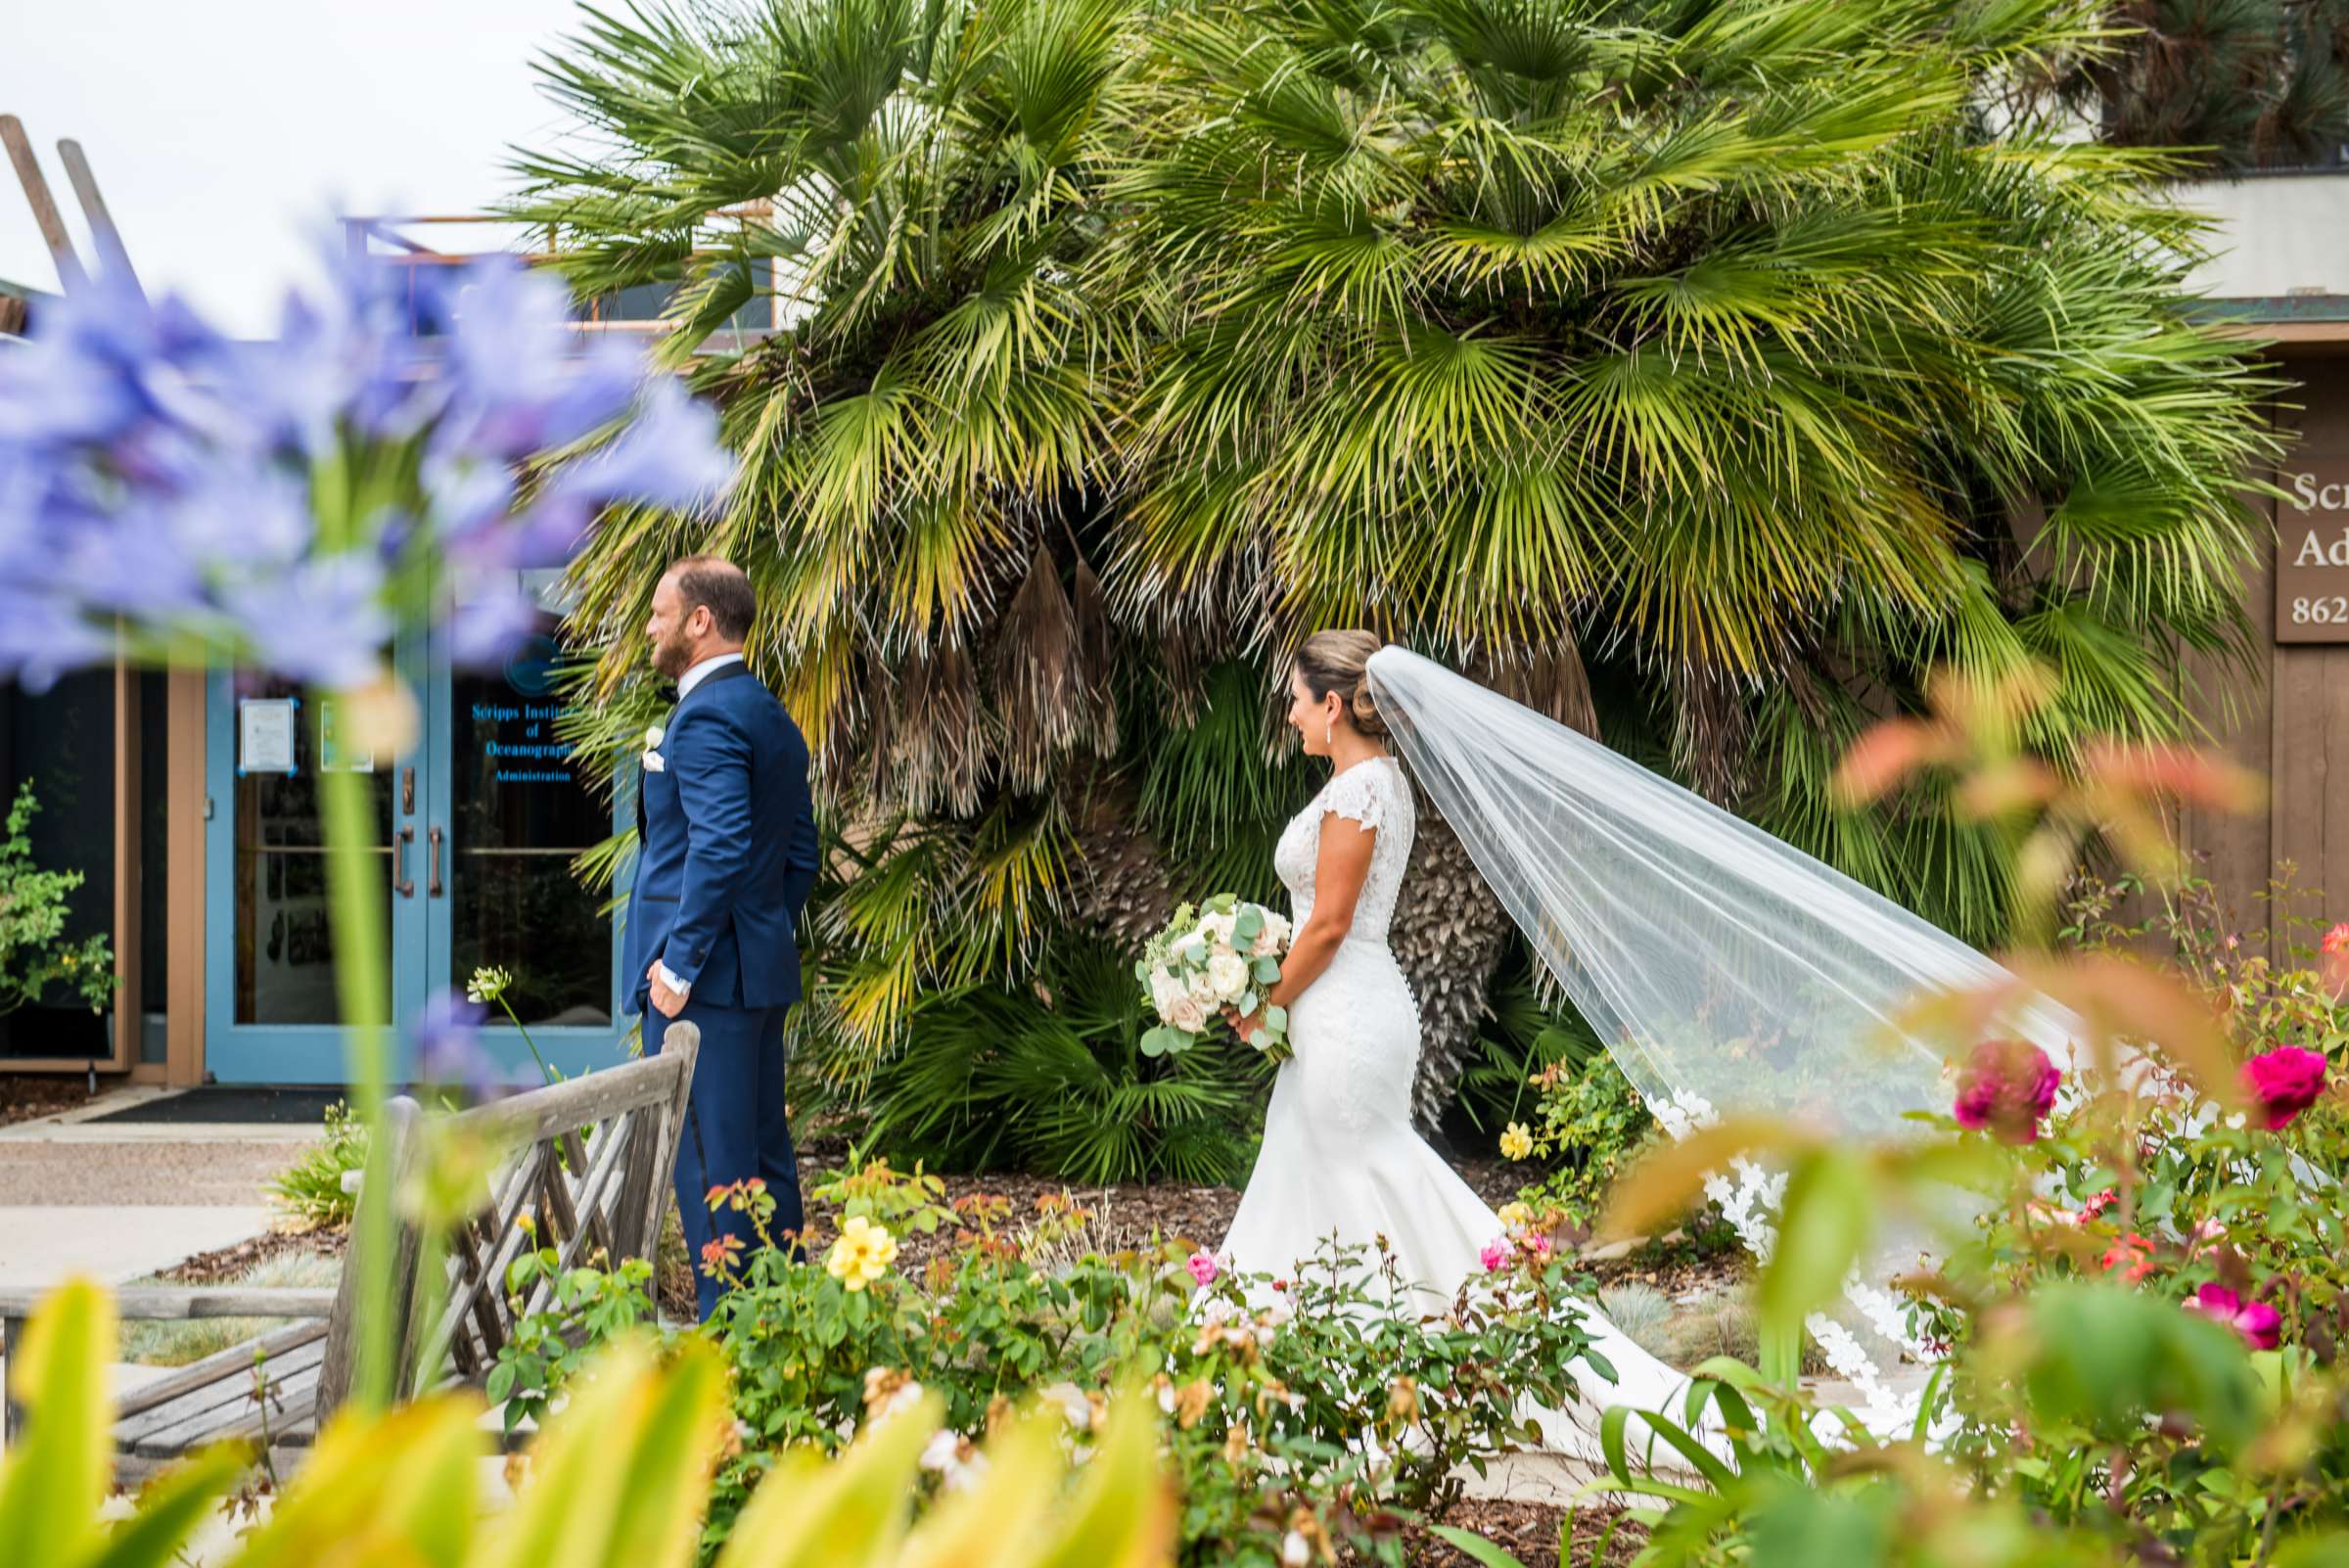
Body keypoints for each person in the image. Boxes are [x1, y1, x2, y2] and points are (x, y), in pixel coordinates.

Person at [624, 556, 820, 1321]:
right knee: (763, 1166)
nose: (650, 626)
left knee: (710, 1174)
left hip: (701, 991)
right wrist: (757, 934)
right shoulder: (769, 712)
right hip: (753, 978)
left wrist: (680, 964)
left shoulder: (704, 716)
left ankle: (727, 1351)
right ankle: (780, 1329)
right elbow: (798, 854)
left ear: (700, 621)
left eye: (659, 612)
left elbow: (719, 845)